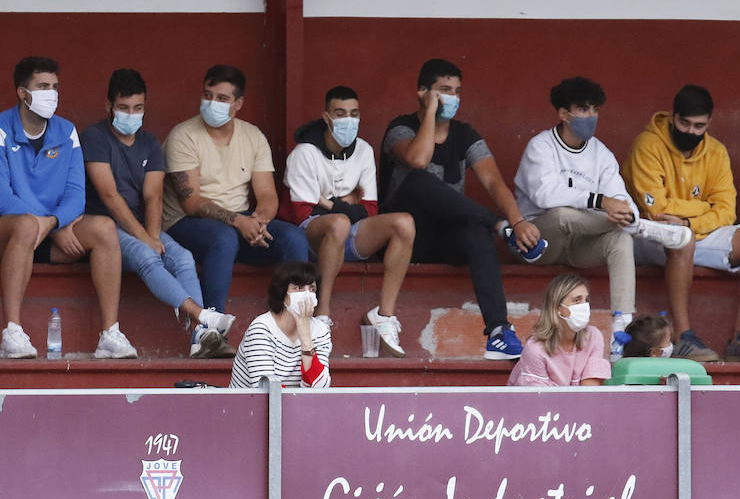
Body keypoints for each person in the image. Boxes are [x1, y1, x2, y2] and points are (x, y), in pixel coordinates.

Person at [0, 55, 137, 360]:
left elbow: (76, 196)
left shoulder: (67, 131)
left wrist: (52, 224)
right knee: (25, 225)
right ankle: (12, 333)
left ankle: (110, 334)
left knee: (104, 228)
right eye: (42, 86)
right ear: (22, 92)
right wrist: (46, 225)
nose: (51, 93)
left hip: (46, 231)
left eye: (55, 86)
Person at [514, 77, 691, 355]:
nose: (591, 117)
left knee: (621, 238)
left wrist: (626, 213)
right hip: (541, 242)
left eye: (594, 110)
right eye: (583, 110)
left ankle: (620, 330)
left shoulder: (601, 153)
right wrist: (599, 201)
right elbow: (544, 196)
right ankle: (642, 229)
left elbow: (621, 201)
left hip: (581, 244)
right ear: (563, 114)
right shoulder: (541, 146)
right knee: (561, 214)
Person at [380, 58, 539, 360]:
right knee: (418, 180)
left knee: (476, 235)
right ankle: (496, 225)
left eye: (456, 91)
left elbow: (493, 182)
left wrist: (517, 222)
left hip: (444, 235)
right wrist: (430, 112)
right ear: (423, 92)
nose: (451, 97)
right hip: (405, 239)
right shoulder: (400, 128)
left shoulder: (465, 135)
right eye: (443, 90)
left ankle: (498, 331)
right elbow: (417, 159)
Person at [81, 68, 236, 358]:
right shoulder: (95, 137)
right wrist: (144, 239)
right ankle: (203, 317)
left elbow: (153, 195)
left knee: (183, 257)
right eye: (123, 108)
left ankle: (201, 337)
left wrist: (152, 235)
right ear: (108, 106)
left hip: (142, 225)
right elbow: (110, 196)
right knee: (147, 255)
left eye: (138, 108)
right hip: (106, 226)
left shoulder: (150, 142)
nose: (131, 114)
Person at [621, 84, 740, 362]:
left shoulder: (716, 152)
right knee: (681, 237)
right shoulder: (647, 145)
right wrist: (702, 210)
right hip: (647, 236)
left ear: (709, 123)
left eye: (699, 126)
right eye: (684, 123)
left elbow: (727, 211)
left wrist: (690, 219)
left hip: (692, 229)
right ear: (672, 116)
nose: (690, 131)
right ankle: (683, 336)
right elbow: (655, 209)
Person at [163, 64, 310, 320]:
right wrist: (240, 222)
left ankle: (294, 325)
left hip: (241, 221)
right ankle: (211, 326)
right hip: (186, 224)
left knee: (294, 238)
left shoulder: (252, 136)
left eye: (222, 98)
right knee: (224, 238)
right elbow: (192, 202)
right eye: (207, 96)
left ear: (238, 103)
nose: (212, 103)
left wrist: (259, 222)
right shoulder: (183, 136)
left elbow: (267, 194)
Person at [285, 85, 416, 357]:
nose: (349, 120)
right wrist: (347, 204)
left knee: (404, 223)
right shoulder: (304, 153)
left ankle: (384, 315)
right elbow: (302, 212)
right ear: (327, 117)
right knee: (339, 223)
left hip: (347, 234)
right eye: (340, 114)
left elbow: (369, 209)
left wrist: (329, 203)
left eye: (354, 114)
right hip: (312, 236)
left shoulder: (365, 151)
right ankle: (321, 316)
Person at [229, 262, 332, 389]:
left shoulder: (320, 330)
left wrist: (306, 337)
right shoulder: (262, 329)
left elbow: (320, 389)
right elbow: (267, 391)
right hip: (248, 407)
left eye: (312, 289)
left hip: (296, 406)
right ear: (282, 293)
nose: (306, 295)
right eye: (298, 288)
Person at [507, 273, 611, 387]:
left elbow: (590, 391)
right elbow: (539, 399)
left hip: (578, 403)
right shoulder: (535, 349)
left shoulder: (593, 336)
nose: (585, 306)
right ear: (557, 308)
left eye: (586, 300)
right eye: (577, 300)